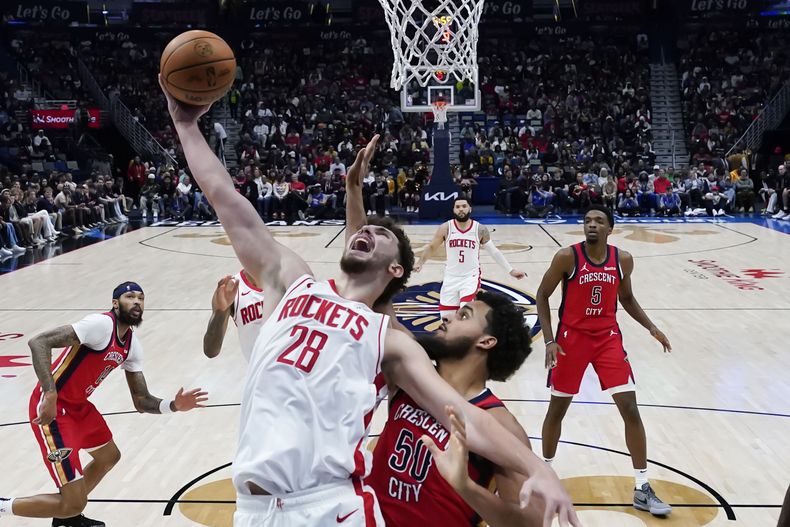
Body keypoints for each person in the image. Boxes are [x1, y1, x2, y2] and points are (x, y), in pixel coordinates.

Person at [161, 79, 578, 527]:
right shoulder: (294, 282)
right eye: (364, 230)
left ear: (396, 269)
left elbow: (466, 417)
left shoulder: (388, 340)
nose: (366, 232)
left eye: (380, 235)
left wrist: (539, 469)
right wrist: (185, 126)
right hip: (254, 510)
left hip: (329, 508)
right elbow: (226, 199)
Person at [0, 282, 207, 527]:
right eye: (130, 297)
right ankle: (18, 507)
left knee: (109, 457)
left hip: (79, 406)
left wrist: (173, 405)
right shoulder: (101, 325)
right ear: (115, 303)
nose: (137, 302)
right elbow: (39, 342)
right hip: (54, 408)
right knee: (73, 502)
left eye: (141, 298)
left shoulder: (131, 345)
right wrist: (50, 393)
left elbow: (141, 400)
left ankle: (68, 515)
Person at [537, 205, 673, 517]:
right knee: (557, 410)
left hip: (607, 338)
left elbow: (627, 298)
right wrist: (549, 340)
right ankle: (545, 475)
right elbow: (542, 295)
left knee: (630, 409)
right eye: (587, 220)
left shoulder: (622, 260)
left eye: (599, 221)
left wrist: (651, 327)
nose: (592, 225)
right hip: (570, 341)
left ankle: (642, 487)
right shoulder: (567, 257)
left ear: (610, 229)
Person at [413, 197, 526, 318]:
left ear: (470, 209)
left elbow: (494, 251)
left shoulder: (480, 229)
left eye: (464, 206)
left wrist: (511, 270)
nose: (461, 209)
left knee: (466, 314)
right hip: (450, 278)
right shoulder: (446, 228)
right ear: (453, 210)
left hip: (470, 278)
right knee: (446, 319)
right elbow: (431, 247)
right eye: (458, 207)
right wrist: (420, 262)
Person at [203, 271, 264, 362]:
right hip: (259, 368)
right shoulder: (231, 288)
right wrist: (221, 311)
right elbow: (210, 350)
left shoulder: (284, 281)